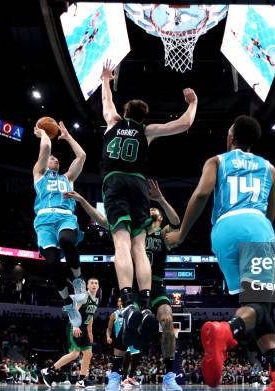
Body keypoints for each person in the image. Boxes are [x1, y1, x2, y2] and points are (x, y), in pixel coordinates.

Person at [165, 115, 275, 391]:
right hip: (256, 225)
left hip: (223, 230)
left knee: (258, 307)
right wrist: (261, 230)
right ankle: (229, 331)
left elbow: (201, 196)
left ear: (232, 136)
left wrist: (182, 234)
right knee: (259, 304)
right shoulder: (269, 168)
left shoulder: (217, 161)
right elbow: (270, 211)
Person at [99, 59, 197, 350]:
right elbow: (184, 124)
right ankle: (144, 301)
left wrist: (106, 80)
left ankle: (127, 300)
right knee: (139, 246)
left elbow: (106, 103)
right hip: (139, 184)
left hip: (115, 181)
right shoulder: (148, 131)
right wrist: (192, 102)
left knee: (121, 244)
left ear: (125, 113)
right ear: (144, 118)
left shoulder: (113, 122)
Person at [64, 179, 183, 391]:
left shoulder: (163, 235)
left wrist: (161, 199)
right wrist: (82, 200)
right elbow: (100, 218)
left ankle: (168, 376)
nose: (152, 213)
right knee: (126, 325)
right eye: (150, 210)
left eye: (155, 212)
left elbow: (176, 221)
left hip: (156, 286)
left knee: (167, 319)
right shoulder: (134, 230)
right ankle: (116, 375)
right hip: (133, 286)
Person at [32, 121, 88, 327]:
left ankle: (78, 279)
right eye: (51, 159)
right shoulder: (39, 175)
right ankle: (68, 304)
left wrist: (67, 136)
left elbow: (81, 156)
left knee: (66, 239)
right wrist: (42, 134)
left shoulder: (68, 178)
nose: (54, 159)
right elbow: (46, 148)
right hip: (44, 222)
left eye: (56, 159)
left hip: (65, 217)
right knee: (52, 263)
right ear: (45, 163)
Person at [41, 278, 100, 388]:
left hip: (85, 328)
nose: (94, 285)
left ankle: (81, 380)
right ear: (87, 286)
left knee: (88, 353)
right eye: (91, 283)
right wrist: (75, 325)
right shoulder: (83, 297)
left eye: (96, 283)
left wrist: (90, 332)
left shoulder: (96, 300)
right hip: (74, 326)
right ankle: (48, 371)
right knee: (75, 354)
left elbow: (91, 316)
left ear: (98, 286)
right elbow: (73, 310)